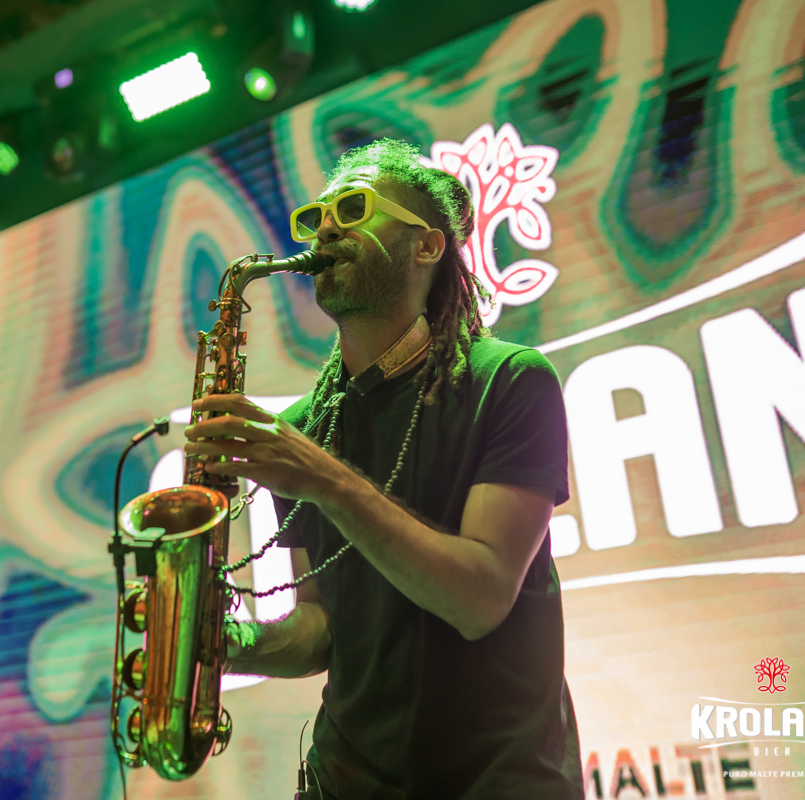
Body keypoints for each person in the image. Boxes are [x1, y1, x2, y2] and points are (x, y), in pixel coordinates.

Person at [183, 139, 581, 799]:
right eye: (316, 216)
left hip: (495, 781)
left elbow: (479, 599)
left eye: (354, 206)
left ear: (426, 247)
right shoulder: (313, 423)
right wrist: (221, 641)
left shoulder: (509, 380)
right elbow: (324, 630)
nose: (327, 226)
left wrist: (323, 478)